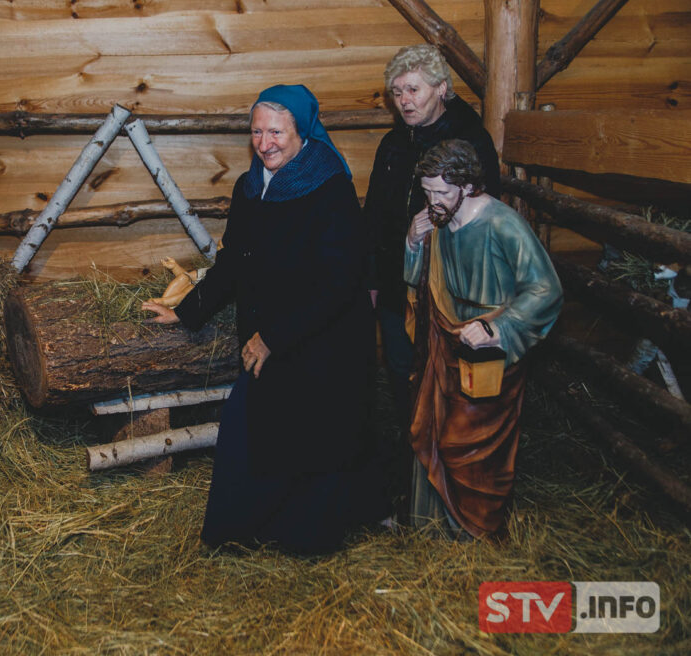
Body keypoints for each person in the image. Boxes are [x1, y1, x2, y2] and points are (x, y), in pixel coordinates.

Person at [143, 84, 384, 553]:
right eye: (256, 131)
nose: (264, 142)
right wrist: (185, 311)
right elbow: (234, 261)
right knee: (254, 428)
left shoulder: (329, 186)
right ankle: (246, 535)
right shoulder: (250, 186)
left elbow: (339, 281)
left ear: (302, 132)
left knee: (308, 439)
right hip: (271, 336)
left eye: (276, 132)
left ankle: (300, 539)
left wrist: (274, 337)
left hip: (320, 341)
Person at [363, 43, 501, 514]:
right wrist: (372, 279)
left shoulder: (470, 143)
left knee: (445, 382)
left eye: (413, 89)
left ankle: (452, 487)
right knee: (403, 377)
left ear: (442, 88)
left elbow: (483, 217)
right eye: (397, 92)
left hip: (448, 290)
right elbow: (373, 217)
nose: (404, 100)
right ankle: (412, 481)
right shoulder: (392, 145)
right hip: (394, 284)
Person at [404, 140, 562, 540]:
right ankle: (437, 530)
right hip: (445, 342)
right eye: (426, 192)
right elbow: (420, 284)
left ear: (468, 186)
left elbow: (546, 289)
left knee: (467, 444)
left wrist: (498, 328)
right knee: (432, 430)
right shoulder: (437, 221)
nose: (432, 202)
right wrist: (413, 243)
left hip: (488, 355)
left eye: (441, 192)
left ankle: (477, 532)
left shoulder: (502, 224)